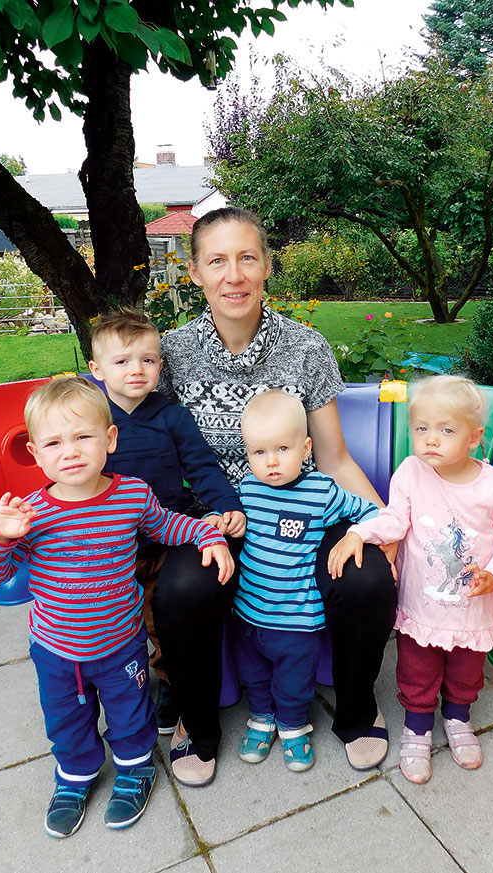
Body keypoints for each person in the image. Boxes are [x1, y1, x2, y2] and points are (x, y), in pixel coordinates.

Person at [156, 205, 398, 787]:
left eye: (247, 258)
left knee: (368, 576)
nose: (233, 275)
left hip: (302, 510)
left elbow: (335, 458)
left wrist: (384, 528)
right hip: (213, 523)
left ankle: (358, 709)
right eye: (217, 261)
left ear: (267, 265)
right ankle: (198, 720)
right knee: (181, 586)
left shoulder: (305, 348)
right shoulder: (170, 354)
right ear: (194, 272)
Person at [0, 377, 233, 838]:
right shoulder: (31, 514)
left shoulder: (131, 495)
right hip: (57, 651)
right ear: (35, 453)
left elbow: (166, 527)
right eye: (54, 442)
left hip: (120, 645)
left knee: (131, 713)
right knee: (66, 719)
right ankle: (74, 778)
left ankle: (135, 771)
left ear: (109, 439)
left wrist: (206, 533)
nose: (70, 451)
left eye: (83, 437)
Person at [328, 375, 493, 785]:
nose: (431, 440)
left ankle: (458, 718)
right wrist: (358, 533)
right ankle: (417, 727)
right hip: (422, 605)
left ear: (474, 438)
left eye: (446, 430)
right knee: (417, 669)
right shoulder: (410, 474)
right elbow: (395, 519)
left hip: (472, 607)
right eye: (421, 429)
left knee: (467, 670)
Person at [88, 311, 245, 733]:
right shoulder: (91, 419)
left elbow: (202, 467)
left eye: (148, 360)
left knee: (163, 616)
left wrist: (228, 504)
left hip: (168, 536)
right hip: (109, 540)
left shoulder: (171, 417)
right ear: (96, 369)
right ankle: (120, 690)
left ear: (161, 365)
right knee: (113, 621)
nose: (136, 370)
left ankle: (170, 683)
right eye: (122, 361)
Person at [213, 390, 378, 772]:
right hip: (250, 612)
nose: (270, 462)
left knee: (293, 679)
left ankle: (291, 725)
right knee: (254, 675)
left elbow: (369, 511)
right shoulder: (248, 490)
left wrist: (357, 535)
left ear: (305, 448)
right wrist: (219, 523)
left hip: (296, 618)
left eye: (282, 449)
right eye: (259, 452)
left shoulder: (321, 492)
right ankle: (261, 718)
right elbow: (232, 525)